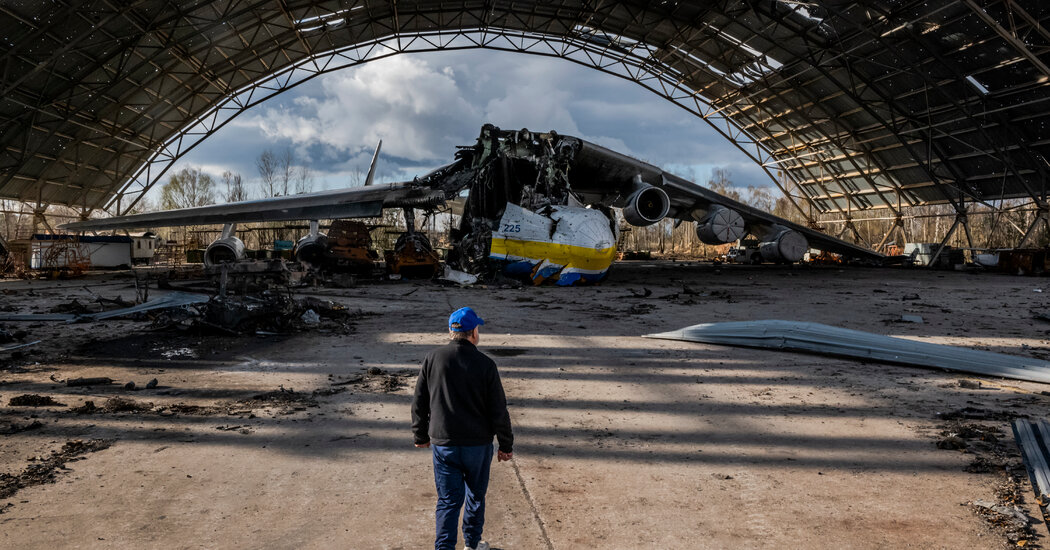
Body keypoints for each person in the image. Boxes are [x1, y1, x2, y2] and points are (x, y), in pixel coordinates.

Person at [412, 306, 514, 550]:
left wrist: (420, 433)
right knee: (475, 497)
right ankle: (471, 544)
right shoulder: (485, 364)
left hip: (444, 442)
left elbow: (419, 400)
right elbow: (498, 409)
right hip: (477, 446)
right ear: (473, 333)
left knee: (448, 500)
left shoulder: (432, 359)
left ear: (450, 331)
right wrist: (506, 445)